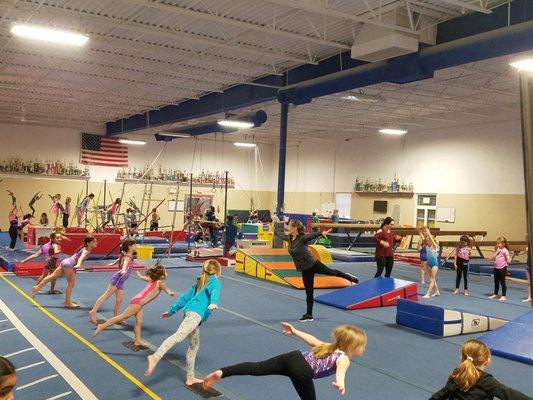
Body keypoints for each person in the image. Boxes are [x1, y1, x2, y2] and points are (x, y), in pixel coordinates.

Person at [203, 323, 367, 400]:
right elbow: (341, 371)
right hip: (302, 371)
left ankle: (222, 372)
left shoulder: (330, 347)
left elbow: (311, 340)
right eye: (362, 346)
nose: (364, 349)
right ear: (352, 346)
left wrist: (295, 331)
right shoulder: (344, 358)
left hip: (293, 357)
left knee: (258, 367)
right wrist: (340, 383)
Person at [144, 260, 222, 387]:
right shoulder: (215, 282)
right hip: (194, 316)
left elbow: (185, 298)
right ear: (217, 270)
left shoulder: (200, 281)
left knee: (194, 346)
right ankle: (155, 357)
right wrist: (213, 302)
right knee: (179, 336)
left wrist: (171, 310)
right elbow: (215, 293)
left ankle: (190, 378)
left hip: (191, 315)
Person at [276, 220, 358, 322]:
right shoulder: (289, 238)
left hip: (313, 264)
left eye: (290, 226)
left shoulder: (302, 238)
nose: (288, 228)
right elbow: (281, 235)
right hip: (304, 269)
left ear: (295, 228)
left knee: (331, 272)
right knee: (309, 292)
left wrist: (321, 233)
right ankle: (309, 315)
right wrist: (273, 229)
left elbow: (310, 236)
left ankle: (349, 277)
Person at [93, 264, 175, 347]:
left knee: (139, 322)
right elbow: (167, 289)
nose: (167, 273)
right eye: (166, 272)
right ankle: (102, 326)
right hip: (138, 303)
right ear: (162, 276)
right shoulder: (160, 283)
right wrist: (170, 292)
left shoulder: (152, 280)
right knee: (122, 317)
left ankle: (137, 341)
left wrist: (139, 275)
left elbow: (143, 278)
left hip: (139, 303)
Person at [430, 339, 531, 400]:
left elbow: (441, 394)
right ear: (487, 361)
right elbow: (512, 395)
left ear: (462, 359)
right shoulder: (487, 381)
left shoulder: (458, 374)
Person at [32, 235, 97, 308]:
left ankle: (37, 287)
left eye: (96, 241)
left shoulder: (84, 248)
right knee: (71, 284)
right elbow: (80, 258)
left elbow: (77, 258)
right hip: (68, 264)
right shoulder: (86, 250)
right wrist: (78, 264)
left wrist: (75, 267)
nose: (96, 243)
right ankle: (68, 303)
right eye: (93, 242)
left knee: (52, 276)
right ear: (88, 243)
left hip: (65, 261)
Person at [89, 239, 136, 324]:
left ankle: (116, 318)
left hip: (121, 281)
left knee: (119, 300)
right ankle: (93, 311)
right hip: (118, 279)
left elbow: (119, 259)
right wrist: (124, 269)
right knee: (106, 296)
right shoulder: (128, 257)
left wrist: (112, 264)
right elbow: (125, 263)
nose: (136, 246)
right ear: (130, 247)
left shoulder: (126, 255)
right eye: (134, 245)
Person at [489, 237, 511, 301]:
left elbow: (509, 260)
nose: (497, 245)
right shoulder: (497, 250)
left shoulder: (505, 250)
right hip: (496, 268)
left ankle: (503, 296)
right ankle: (495, 294)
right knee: (496, 281)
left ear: (503, 244)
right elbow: (492, 258)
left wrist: (507, 262)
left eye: (499, 243)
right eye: (497, 243)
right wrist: (497, 252)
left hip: (502, 268)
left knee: (502, 282)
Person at [422, 230, 440, 298]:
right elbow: (423, 240)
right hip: (429, 264)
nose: (426, 241)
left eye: (427, 240)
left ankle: (428, 294)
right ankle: (437, 291)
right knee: (432, 279)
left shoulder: (435, 246)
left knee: (431, 279)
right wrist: (420, 232)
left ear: (430, 240)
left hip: (434, 265)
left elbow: (432, 240)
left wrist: (429, 234)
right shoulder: (427, 247)